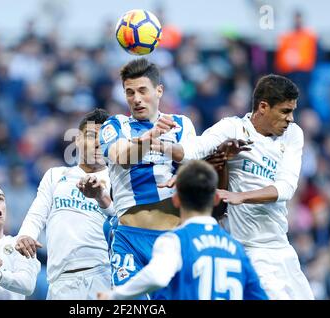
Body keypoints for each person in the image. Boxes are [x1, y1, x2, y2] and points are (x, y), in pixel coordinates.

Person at [98, 58, 247, 298]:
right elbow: (122, 157)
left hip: (172, 239)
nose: (136, 98)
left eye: (142, 91)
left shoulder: (181, 124)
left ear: (159, 90)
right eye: (129, 92)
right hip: (129, 240)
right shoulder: (115, 125)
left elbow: (192, 165)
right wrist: (151, 136)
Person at [188, 74, 314, 299]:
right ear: (263, 106)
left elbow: (285, 188)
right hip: (249, 250)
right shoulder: (232, 128)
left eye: (292, 110)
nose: (291, 118)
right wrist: (161, 141)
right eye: (285, 111)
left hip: (282, 246)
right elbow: (192, 152)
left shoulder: (293, 135)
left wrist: (241, 196)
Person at [98, 160, 268, 300]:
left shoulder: (175, 241)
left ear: (176, 199)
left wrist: (115, 296)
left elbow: (157, 276)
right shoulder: (236, 248)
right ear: (216, 199)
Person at [15, 108, 115, 300]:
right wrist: (25, 235)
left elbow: (123, 224)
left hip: (101, 277)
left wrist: (102, 198)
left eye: (104, 139)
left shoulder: (117, 181)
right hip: (59, 282)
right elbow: (37, 214)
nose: (97, 144)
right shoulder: (56, 175)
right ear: (77, 139)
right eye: (92, 136)